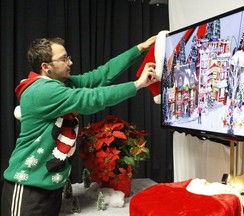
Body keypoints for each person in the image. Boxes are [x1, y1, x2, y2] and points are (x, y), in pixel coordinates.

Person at [1, 36, 157, 215]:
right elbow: (91, 98)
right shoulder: (42, 90)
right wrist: (138, 84)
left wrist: (140, 49)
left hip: (48, 186)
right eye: (64, 58)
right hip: (28, 188)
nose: (70, 62)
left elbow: (100, 75)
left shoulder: (61, 84)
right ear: (46, 67)